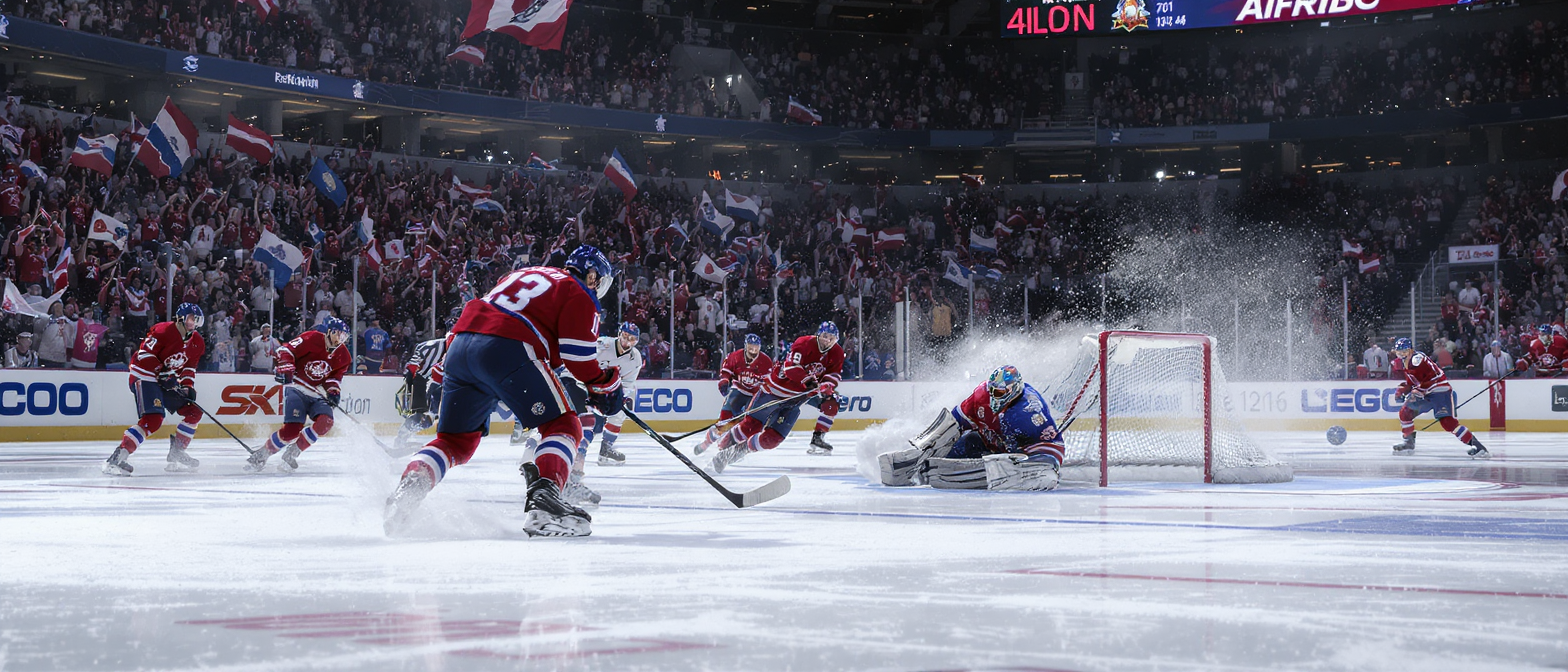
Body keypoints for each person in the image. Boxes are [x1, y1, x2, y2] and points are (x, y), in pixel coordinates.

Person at [383, 245, 623, 538]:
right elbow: (578, 358)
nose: (598, 287)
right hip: (507, 346)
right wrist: (605, 384)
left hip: (460, 347)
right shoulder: (578, 291)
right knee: (563, 425)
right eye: (599, 280)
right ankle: (546, 507)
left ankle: (409, 488)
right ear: (592, 275)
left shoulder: (524, 273)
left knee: (454, 442)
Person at [875, 364, 1063, 491]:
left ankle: (1016, 472)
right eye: (991, 390)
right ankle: (919, 467)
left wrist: (1019, 464)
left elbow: (1050, 449)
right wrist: (927, 446)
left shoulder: (1028, 411)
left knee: (1041, 471)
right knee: (966, 441)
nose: (993, 397)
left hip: (1034, 451)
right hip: (994, 444)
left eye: (999, 393)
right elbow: (955, 421)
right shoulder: (981, 395)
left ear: (1013, 390)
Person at [708, 321, 844, 473]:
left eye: (831, 338)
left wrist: (827, 386)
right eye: (825, 336)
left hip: (796, 399)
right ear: (818, 334)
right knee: (750, 427)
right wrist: (810, 382)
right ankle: (721, 450)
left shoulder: (837, 352)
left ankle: (740, 450)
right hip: (773, 391)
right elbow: (791, 368)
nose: (827, 340)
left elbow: (833, 374)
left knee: (772, 440)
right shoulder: (804, 343)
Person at [102, 303, 207, 475]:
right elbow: (144, 354)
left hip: (166, 379)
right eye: (191, 319)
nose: (193, 324)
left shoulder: (197, 342)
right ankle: (119, 456)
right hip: (145, 375)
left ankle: (177, 451)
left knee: (194, 412)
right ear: (180, 318)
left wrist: (187, 386)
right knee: (153, 419)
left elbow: (189, 368)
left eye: (197, 320)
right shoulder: (163, 330)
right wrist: (162, 372)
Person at [246, 317, 353, 473]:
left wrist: (333, 391)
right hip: (296, 388)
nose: (341, 340)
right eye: (339, 335)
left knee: (326, 422)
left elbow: (334, 378)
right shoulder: (311, 338)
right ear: (330, 332)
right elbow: (285, 351)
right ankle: (262, 454)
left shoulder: (344, 356)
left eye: (344, 337)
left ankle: (293, 452)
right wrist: (286, 367)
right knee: (291, 432)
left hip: (317, 393)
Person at [1391, 337, 1489, 458]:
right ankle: (1408, 442)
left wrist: (1418, 390)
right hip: (1426, 393)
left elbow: (1431, 377)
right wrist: (1403, 390)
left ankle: (1478, 447)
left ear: (1411, 350)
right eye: (1399, 352)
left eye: (1404, 351)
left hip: (1439, 391)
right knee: (1405, 413)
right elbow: (1413, 381)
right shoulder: (1405, 363)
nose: (1402, 355)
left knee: (1448, 423)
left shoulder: (1417, 360)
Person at [694, 333, 773, 454]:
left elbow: (768, 382)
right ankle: (706, 443)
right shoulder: (735, 356)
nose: (753, 351)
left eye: (756, 348)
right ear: (746, 346)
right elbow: (726, 372)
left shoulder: (766, 361)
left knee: (748, 425)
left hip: (755, 395)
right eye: (751, 348)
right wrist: (724, 382)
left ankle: (728, 448)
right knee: (725, 420)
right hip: (738, 391)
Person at [581, 322, 644, 466]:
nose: (627, 342)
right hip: (585, 385)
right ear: (619, 334)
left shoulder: (635, 358)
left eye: (632, 339)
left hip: (607, 391)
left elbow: (627, 384)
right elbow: (582, 363)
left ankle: (606, 449)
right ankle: (576, 447)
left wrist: (618, 398)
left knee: (620, 412)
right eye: (625, 336)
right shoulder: (602, 345)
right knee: (585, 417)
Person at [393, 333, 450, 455]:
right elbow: (412, 365)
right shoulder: (432, 347)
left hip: (439, 382)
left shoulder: (458, 348)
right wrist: (410, 380)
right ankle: (400, 439)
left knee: (429, 417)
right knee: (424, 417)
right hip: (425, 381)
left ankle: (401, 438)